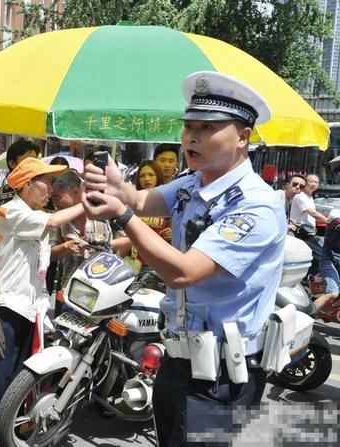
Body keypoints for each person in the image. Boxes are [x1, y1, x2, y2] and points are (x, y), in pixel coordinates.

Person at [83, 71, 286, 446]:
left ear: (243, 137)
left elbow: (184, 272)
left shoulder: (256, 205)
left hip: (223, 376)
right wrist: (118, 189)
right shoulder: (195, 181)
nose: (192, 137)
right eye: (189, 126)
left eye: (208, 128)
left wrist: (121, 216)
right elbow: (144, 200)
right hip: (177, 361)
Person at [0, 157, 85, 447]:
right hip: (9, 305)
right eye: (47, 183)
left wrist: (65, 248)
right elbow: (56, 220)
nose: (52, 189)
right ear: (28, 185)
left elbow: (39, 260)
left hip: (31, 307)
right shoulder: (13, 210)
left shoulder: (33, 213)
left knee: (20, 376)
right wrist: (90, 201)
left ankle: (6, 433)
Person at [49, 169, 131, 287]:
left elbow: (129, 239)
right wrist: (66, 247)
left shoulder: (105, 207)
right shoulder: (57, 218)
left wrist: (104, 246)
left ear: (75, 191)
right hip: (69, 287)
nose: (54, 203)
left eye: (56, 197)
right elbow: (50, 254)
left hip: (104, 286)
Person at [0, 138, 39, 231]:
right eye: (27, 160)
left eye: (34, 160)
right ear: (12, 163)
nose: (32, 165)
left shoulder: (42, 191)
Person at [128, 161, 172, 273]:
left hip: (158, 264)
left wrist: (172, 232)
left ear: (158, 176)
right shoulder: (132, 202)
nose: (147, 179)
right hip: (133, 262)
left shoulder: (168, 200)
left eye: (151, 174)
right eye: (142, 175)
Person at [290, 174, 325, 259]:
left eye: (316, 182)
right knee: (322, 256)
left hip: (308, 233)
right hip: (300, 234)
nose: (314, 184)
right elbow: (312, 213)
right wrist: (329, 220)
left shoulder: (309, 197)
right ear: (305, 183)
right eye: (311, 181)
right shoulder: (300, 196)